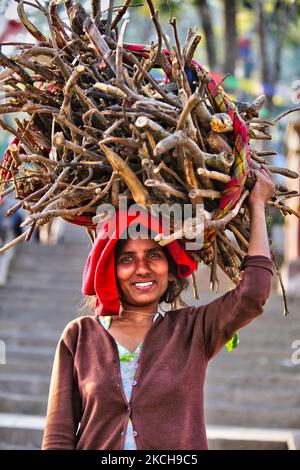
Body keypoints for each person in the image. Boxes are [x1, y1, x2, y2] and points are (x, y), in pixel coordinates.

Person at [42, 165, 275, 450]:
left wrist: (258, 205)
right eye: (127, 259)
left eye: (154, 254)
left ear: (170, 265)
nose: (142, 269)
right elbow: (57, 438)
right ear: (110, 270)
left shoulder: (192, 331)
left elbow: (253, 293)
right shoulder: (79, 337)